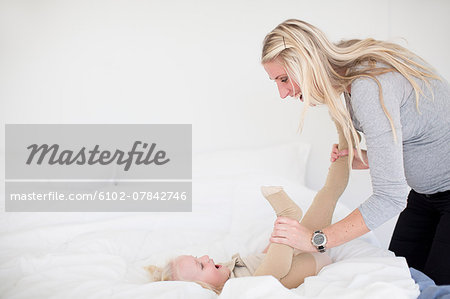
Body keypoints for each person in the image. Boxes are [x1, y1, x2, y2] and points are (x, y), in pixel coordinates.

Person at [262, 19, 450, 285]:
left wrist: (317, 240)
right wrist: (372, 157)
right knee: (401, 283)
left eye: (283, 79)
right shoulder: (349, 67)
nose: (282, 93)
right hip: (424, 196)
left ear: (306, 64)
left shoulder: (368, 87)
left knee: (434, 290)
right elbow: (425, 128)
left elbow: (389, 197)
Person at [147, 122, 353, 293]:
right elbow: (271, 269)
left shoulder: (229, 266)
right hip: (302, 267)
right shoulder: (230, 291)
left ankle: (346, 136)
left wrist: (278, 238)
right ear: (203, 287)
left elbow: (265, 256)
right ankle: (287, 216)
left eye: (198, 258)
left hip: (303, 249)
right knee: (260, 284)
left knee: (326, 195)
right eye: (201, 265)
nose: (205, 258)